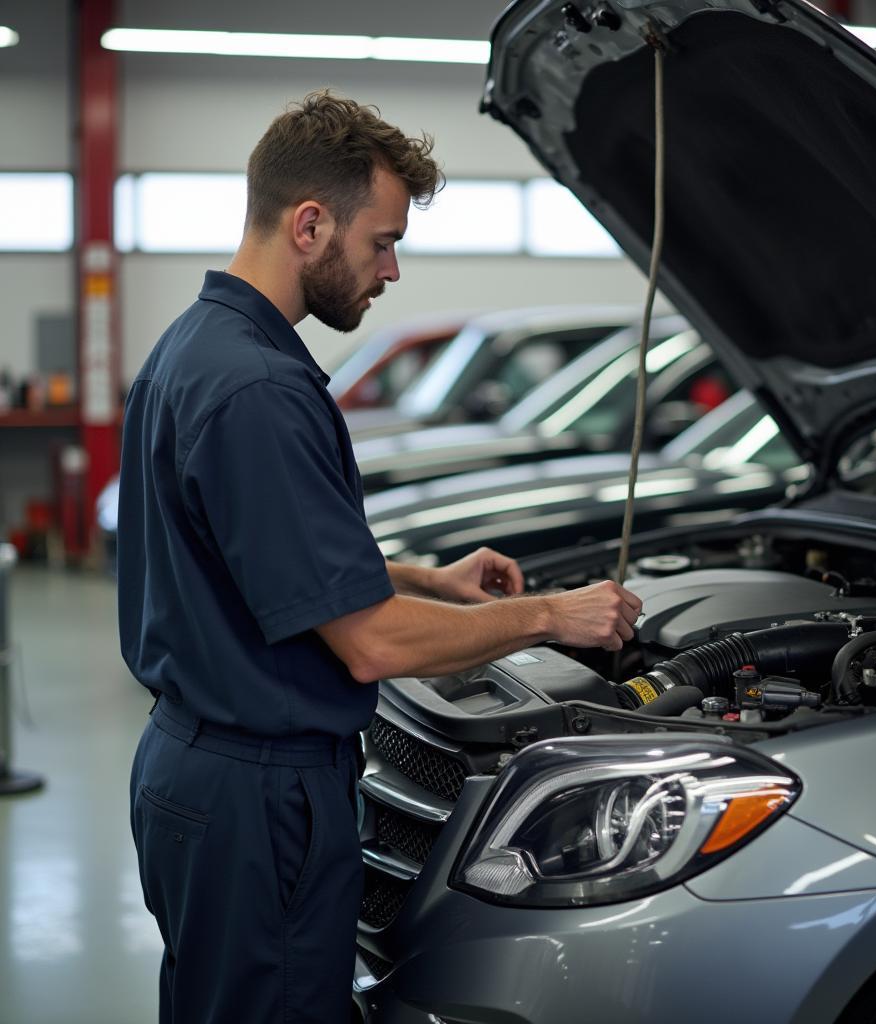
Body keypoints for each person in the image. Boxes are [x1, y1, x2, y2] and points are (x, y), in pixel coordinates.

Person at [117, 90, 643, 1024]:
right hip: (259, 795)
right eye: (382, 241)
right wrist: (553, 615)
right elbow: (368, 647)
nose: (392, 270)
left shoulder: (196, 352)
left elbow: (246, 559)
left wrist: (421, 580)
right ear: (311, 224)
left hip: (198, 773)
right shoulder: (261, 389)